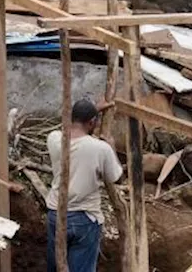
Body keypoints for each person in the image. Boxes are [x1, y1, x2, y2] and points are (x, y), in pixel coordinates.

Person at [45, 99, 123, 272]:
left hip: (55, 214)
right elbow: (116, 176)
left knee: (56, 266)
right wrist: (112, 147)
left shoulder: (54, 139)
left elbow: (65, 127)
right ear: (92, 122)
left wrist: (93, 109)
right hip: (84, 218)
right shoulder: (101, 149)